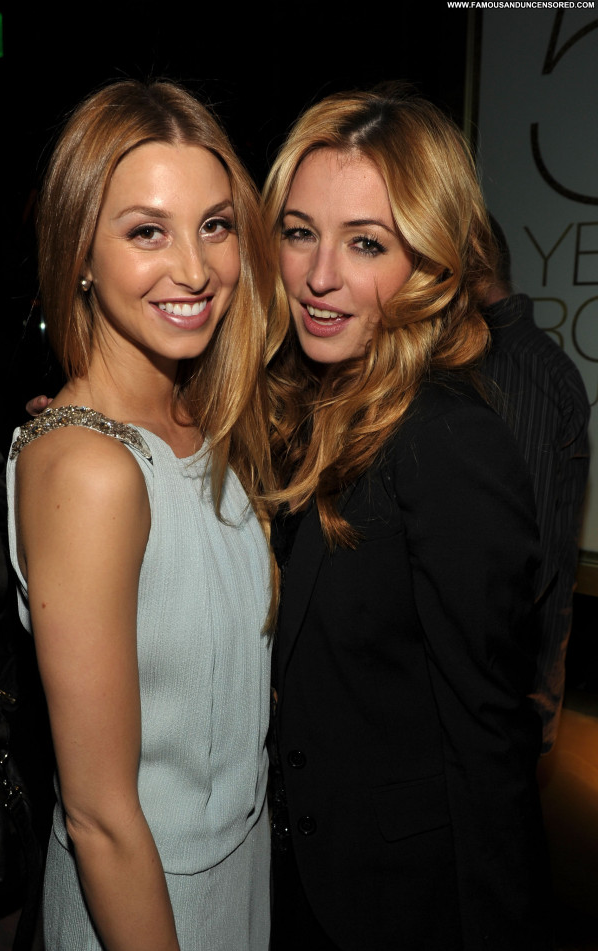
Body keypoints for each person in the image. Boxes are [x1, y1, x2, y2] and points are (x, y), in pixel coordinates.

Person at [263, 86, 553, 951]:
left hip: (400, 908)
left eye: (366, 243)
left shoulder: (448, 440)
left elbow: (489, 738)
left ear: (430, 264)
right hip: (301, 887)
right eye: (300, 232)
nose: (320, 276)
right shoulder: (305, 411)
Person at [6, 80, 274, 951]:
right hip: (144, 900)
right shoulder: (91, 471)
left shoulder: (200, 417)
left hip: (241, 868)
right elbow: (100, 817)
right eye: (147, 231)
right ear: (80, 251)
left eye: (215, 225)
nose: (195, 269)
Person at [482, 218, 590, 753]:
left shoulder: (512, 372)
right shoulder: (529, 366)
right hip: (508, 695)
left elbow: (519, 568)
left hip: (499, 699)